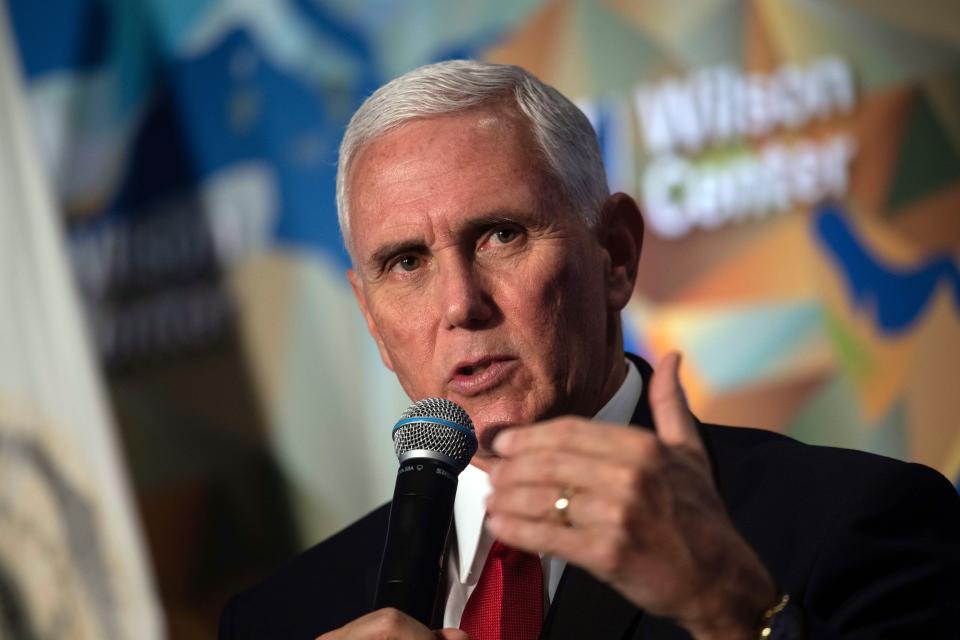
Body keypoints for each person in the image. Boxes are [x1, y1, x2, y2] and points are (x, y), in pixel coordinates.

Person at [219, 60, 960, 639]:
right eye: (406, 262)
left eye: (501, 235)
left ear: (615, 254)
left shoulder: (853, 523)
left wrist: (733, 613)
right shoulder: (283, 618)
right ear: (371, 319)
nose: (459, 305)